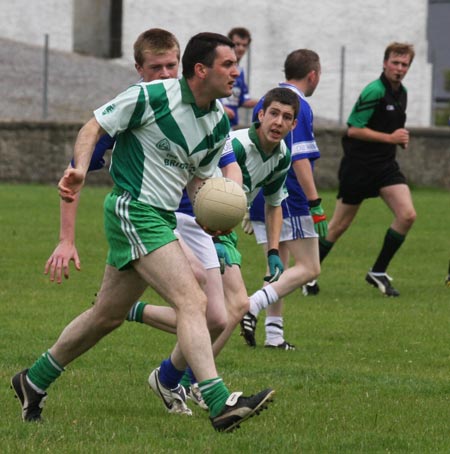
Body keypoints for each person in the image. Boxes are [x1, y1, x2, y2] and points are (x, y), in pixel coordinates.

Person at [11, 32, 274, 433]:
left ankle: (33, 380)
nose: (236, 71)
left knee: (106, 316)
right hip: (132, 210)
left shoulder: (219, 120)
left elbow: (199, 182)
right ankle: (220, 403)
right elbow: (93, 127)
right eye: (227, 64)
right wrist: (81, 167)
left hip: (160, 218)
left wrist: (213, 211)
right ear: (201, 70)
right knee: (192, 301)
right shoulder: (151, 96)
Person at [311, 42, 416, 297]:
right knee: (338, 226)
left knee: (407, 215)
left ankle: (378, 271)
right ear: (385, 63)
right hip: (359, 166)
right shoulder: (374, 90)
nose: (399, 68)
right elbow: (354, 129)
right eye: (395, 63)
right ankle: (308, 274)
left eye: (404, 64)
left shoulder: (401, 93)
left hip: (385, 166)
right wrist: (390, 138)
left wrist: (398, 139)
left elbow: (390, 128)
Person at [240, 49, 325, 349]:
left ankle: (274, 336)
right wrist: (315, 204)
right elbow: (299, 159)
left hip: (262, 193)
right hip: (288, 197)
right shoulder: (297, 106)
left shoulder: (268, 100)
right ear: (313, 75)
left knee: (277, 267)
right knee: (310, 268)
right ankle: (250, 304)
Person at [221, 27, 258, 129]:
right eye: (237, 44)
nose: (241, 48)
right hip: (216, 123)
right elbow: (207, 92)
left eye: (244, 45)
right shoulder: (220, 66)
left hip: (231, 125)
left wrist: (266, 100)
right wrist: (221, 108)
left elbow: (243, 100)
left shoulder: (240, 72)